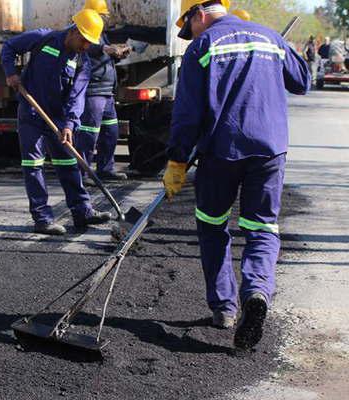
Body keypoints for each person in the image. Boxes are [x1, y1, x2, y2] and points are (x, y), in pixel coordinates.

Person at [164, 0, 310, 349]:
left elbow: (186, 113)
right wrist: (281, 49)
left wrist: (177, 161)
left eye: (189, 27)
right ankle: (257, 291)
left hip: (221, 153)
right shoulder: (270, 38)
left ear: (198, 15)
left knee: (212, 225)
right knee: (261, 228)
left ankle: (225, 307)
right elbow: (302, 80)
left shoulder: (203, 46)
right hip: (270, 150)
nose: (190, 35)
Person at [1, 9, 112, 235]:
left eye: (90, 42)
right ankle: (42, 218)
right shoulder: (43, 38)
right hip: (31, 113)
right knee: (33, 166)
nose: (86, 46)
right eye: (84, 40)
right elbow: (9, 47)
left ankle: (82, 212)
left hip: (58, 118)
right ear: (74, 31)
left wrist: (70, 124)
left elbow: (77, 98)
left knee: (68, 163)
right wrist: (11, 72)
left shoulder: (83, 63)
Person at [74, 0, 129, 186]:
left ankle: (105, 169)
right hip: (93, 91)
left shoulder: (100, 33)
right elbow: (90, 48)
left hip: (106, 93)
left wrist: (117, 53)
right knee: (89, 134)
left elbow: (102, 53)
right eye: (103, 15)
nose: (106, 19)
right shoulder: (84, 31)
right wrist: (106, 49)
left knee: (111, 132)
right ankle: (83, 172)